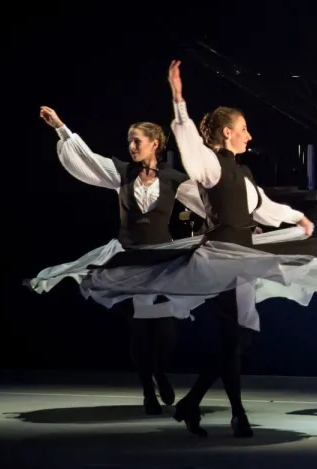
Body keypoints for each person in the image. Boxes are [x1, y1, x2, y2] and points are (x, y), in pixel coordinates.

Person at [79, 61, 317, 438]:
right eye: (244, 129)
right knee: (234, 339)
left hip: (242, 257)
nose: (249, 135)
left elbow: (261, 206)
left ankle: (193, 405)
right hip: (219, 258)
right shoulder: (210, 165)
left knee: (240, 339)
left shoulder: (242, 172)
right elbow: (188, 143)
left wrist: (297, 217)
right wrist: (178, 100)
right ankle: (236, 414)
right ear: (228, 133)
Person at [30, 106, 205, 415]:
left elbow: (208, 203)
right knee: (140, 328)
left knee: (165, 330)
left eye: (137, 141)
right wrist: (60, 127)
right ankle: (147, 391)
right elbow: (87, 158)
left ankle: (160, 371)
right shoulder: (121, 173)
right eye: (129, 141)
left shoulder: (174, 179)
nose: (131, 146)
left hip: (161, 261)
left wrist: (241, 225)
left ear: (155, 144)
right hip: (129, 261)